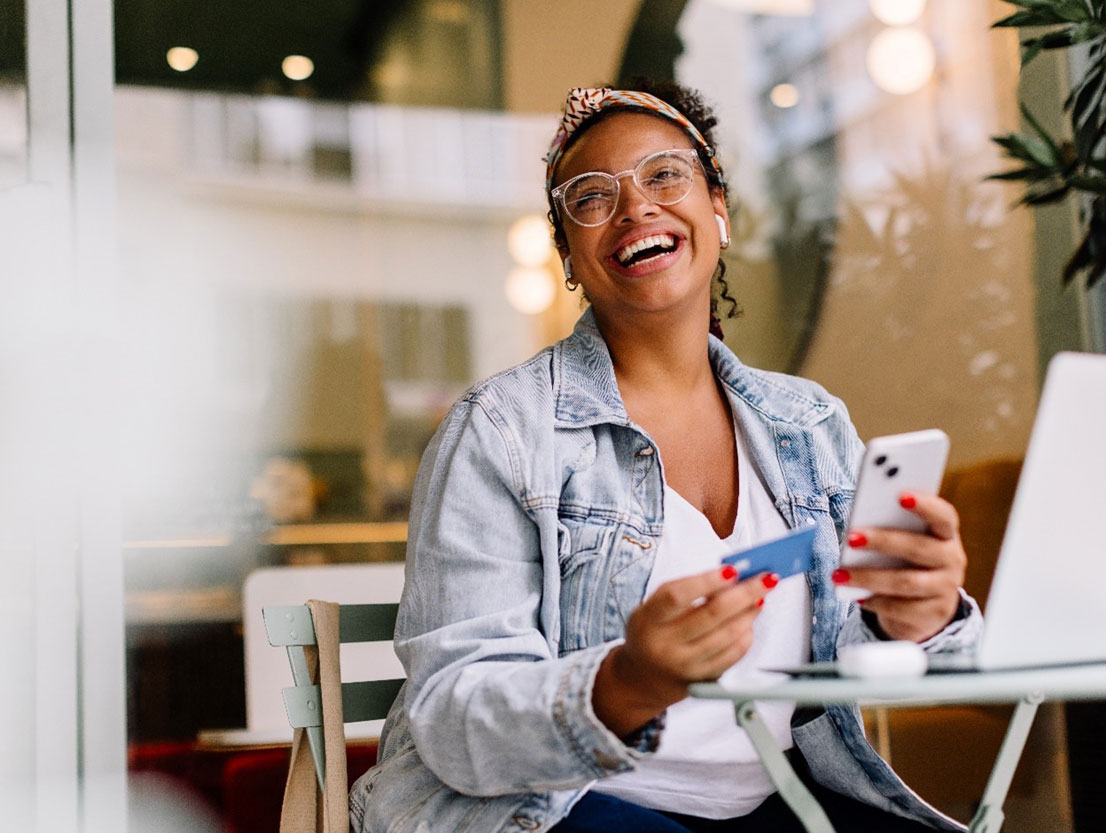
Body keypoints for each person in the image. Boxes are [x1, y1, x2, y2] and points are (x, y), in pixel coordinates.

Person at [350, 80, 981, 833]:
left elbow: (843, 655)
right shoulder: (500, 432)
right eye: (590, 196)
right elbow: (456, 717)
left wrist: (918, 617)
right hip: (553, 808)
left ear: (719, 209)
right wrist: (626, 681)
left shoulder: (809, 423)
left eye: (665, 175)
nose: (635, 208)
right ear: (570, 259)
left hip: (780, 797)